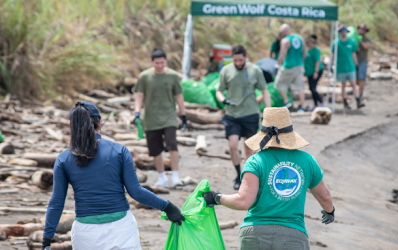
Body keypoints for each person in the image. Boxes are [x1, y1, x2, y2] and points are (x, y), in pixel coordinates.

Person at [41, 102, 184, 250]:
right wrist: (168, 207)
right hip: (121, 230)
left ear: (73, 126)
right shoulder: (119, 151)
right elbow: (136, 192)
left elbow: (56, 202)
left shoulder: (63, 158)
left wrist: (46, 240)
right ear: (100, 123)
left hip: (85, 234)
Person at [203, 107, 335, 250]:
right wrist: (329, 212)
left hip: (254, 234)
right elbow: (325, 196)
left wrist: (216, 197)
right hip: (292, 235)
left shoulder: (255, 161)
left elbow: (243, 201)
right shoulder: (307, 161)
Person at [216, 45, 271, 190]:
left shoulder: (255, 70)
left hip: (250, 114)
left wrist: (269, 110)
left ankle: (247, 176)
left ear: (245, 57)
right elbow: (219, 91)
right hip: (232, 114)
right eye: (235, 61)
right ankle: (237, 173)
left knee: (249, 149)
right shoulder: (226, 71)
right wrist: (223, 100)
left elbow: (264, 90)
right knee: (233, 145)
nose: (238, 63)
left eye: (241, 60)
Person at [134, 48, 187, 188]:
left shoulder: (172, 75)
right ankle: (161, 177)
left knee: (172, 143)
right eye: (157, 63)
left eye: (162, 63)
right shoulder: (144, 76)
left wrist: (183, 114)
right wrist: (137, 112)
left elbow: (179, 96)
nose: (160, 65)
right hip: (151, 118)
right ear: (152, 62)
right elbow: (139, 95)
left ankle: (175, 175)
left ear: (166, 61)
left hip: (169, 116)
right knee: (155, 148)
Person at [274, 24, 307, 113]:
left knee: (278, 82)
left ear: (284, 31)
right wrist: (302, 62)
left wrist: (278, 64)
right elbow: (304, 51)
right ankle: (302, 107)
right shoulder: (299, 38)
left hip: (288, 66)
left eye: (281, 32)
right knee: (300, 87)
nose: (280, 34)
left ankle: (286, 101)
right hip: (299, 65)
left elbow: (282, 53)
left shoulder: (285, 40)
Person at [332, 24, 361, 109]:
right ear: (340, 32)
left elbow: (353, 54)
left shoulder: (351, 42)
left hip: (350, 66)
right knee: (343, 85)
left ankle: (358, 100)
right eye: (342, 31)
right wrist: (331, 64)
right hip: (340, 67)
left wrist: (356, 64)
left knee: (353, 84)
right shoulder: (336, 43)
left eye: (345, 31)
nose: (343, 32)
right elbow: (333, 54)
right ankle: (345, 102)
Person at [304, 35, 324, 110]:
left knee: (313, 88)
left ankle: (321, 102)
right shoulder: (309, 50)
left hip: (315, 71)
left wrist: (316, 72)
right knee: (311, 88)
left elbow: (317, 61)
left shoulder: (316, 50)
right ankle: (316, 104)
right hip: (309, 72)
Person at [356, 24, 371, 107]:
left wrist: (360, 40)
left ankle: (360, 96)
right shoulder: (354, 38)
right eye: (361, 29)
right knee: (354, 80)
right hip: (354, 61)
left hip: (362, 61)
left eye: (364, 29)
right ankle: (357, 95)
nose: (362, 31)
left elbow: (365, 46)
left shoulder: (367, 39)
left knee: (361, 78)